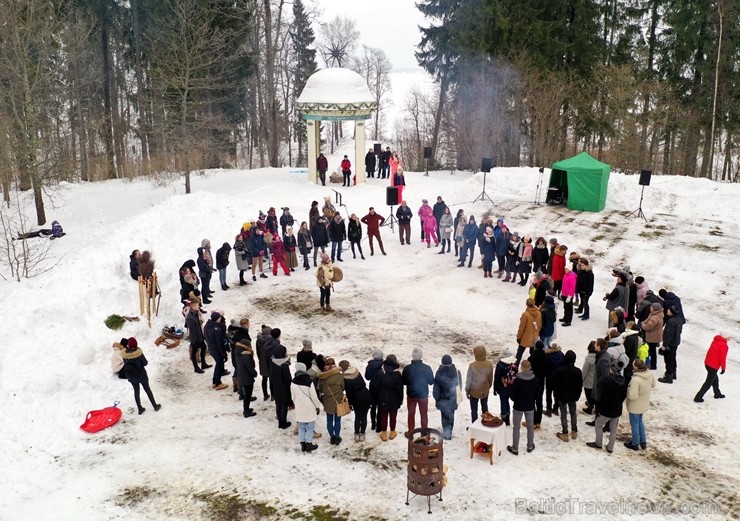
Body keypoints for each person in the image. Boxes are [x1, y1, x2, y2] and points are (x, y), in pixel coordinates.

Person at [587, 359, 627, 453]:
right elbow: (623, 396)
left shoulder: (608, 382)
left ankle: (598, 443)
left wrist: (599, 409)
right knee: (613, 429)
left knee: (598, 424)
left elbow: (603, 398)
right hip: (617, 410)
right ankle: (610, 447)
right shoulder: (623, 381)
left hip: (607, 410)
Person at [507, 360, 538, 455]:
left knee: (516, 427)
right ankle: (530, 445)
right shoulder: (535, 380)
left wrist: (517, 400)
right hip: (530, 406)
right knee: (530, 427)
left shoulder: (517, 381)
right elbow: (537, 394)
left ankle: (515, 448)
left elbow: (512, 395)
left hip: (518, 406)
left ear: (521, 367)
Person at [122, 338, 161, 415]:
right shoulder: (139, 354)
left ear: (128, 345)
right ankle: (155, 406)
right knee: (147, 390)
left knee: (136, 391)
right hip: (142, 375)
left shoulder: (125, 355)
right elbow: (145, 363)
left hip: (132, 377)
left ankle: (140, 409)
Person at [402, 347, 435, 437]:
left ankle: (411, 432)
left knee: (411, 414)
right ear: (421, 356)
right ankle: (424, 432)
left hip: (411, 395)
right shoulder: (427, 368)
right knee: (424, 414)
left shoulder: (407, 369)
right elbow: (431, 382)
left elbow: (404, 382)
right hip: (423, 395)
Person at [552, 350, 583, 442]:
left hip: (562, 396)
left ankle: (565, 432)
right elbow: (579, 385)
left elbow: (556, 386)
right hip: (573, 396)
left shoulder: (560, 370)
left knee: (564, 414)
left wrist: (556, 397)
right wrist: (578, 395)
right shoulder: (578, 371)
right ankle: (574, 431)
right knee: (573, 413)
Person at [624, 358, 654, 450]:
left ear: (636, 367)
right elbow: (653, 385)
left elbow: (632, 396)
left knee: (635, 424)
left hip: (635, 406)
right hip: (644, 403)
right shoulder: (649, 374)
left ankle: (635, 443)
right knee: (640, 422)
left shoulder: (636, 380)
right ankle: (643, 441)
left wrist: (627, 391)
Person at [339, 360, 372, 442]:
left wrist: (350, 404)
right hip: (366, 394)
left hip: (357, 397)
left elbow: (349, 392)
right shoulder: (356, 371)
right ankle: (363, 433)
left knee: (358, 417)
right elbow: (363, 382)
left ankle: (357, 434)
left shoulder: (346, 377)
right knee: (364, 416)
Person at [293, 362, 321, 452]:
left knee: (301, 426)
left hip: (299, 407)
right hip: (309, 407)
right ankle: (309, 443)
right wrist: (317, 406)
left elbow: (293, 396)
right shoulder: (309, 381)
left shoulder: (293, 381)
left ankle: (303, 444)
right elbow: (314, 396)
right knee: (310, 426)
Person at [694, 332, 730, 402]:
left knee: (715, 379)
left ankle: (717, 393)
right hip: (713, 366)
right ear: (725, 337)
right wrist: (723, 368)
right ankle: (698, 397)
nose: (729, 338)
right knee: (708, 382)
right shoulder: (724, 345)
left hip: (707, 363)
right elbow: (722, 358)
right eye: (728, 336)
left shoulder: (716, 341)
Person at [319, 357, 346, 445]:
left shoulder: (322, 378)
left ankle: (332, 437)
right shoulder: (340, 375)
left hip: (327, 401)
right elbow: (343, 387)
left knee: (329, 420)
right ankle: (337, 437)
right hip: (338, 400)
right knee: (337, 420)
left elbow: (321, 390)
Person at [433, 355, 460, 440]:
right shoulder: (456, 372)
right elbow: (459, 385)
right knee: (451, 415)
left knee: (444, 415)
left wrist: (436, 397)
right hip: (453, 399)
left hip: (442, 399)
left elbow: (436, 387)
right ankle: (449, 431)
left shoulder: (439, 373)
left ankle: (446, 432)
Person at [377, 354, 404, 441]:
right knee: (393, 416)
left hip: (383, 396)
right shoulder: (397, 374)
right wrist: (401, 399)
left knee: (383, 416)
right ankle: (392, 432)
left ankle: (384, 432)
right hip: (394, 397)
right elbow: (400, 388)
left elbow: (377, 385)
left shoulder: (381, 372)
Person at [465, 346, 493, 423]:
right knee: (485, 408)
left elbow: (469, 380)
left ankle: (474, 425)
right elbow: (490, 378)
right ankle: (487, 423)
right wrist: (488, 387)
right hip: (485, 390)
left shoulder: (472, 365)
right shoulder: (489, 364)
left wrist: (467, 390)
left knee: (474, 410)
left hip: (474, 391)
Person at [234, 332, 258, 418]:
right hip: (247, 378)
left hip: (241, 376)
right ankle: (246, 411)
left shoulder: (238, 352)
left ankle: (246, 408)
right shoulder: (245, 356)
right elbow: (250, 368)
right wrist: (254, 373)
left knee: (246, 394)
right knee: (247, 395)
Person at [270, 343, 293, 429]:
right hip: (284, 388)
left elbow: (271, 376)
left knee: (278, 404)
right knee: (284, 406)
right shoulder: (284, 366)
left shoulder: (273, 362)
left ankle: (280, 421)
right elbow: (287, 379)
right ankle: (283, 422)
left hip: (276, 387)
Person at [204, 312, 229, 390]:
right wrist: (224, 354)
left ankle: (215, 382)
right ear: (217, 319)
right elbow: (220, 344)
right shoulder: (216, 330)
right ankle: (217, 383)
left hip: (211, 348)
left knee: (218, 364)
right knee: (219, 365)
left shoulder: (207, 326)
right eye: (219, 318)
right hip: (216, 350)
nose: (221, 318)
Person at [658, 305, 683, 383]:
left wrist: (665, 345)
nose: (667, 310)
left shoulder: (671, 322)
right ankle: (673, 373)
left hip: (670, 344)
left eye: (669, 310)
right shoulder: (679, 319)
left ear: (672, 312)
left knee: (668, 360)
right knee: (673, 358)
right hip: (676, 342)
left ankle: (669, 376)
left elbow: (668, 334)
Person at [493, 350, 517, 425]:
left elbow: (496, 377)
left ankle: (503, 419)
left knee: (503, 402)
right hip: (510, 387)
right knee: (507, 402)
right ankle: (508, 419)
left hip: (502, 387)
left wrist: (495, 388)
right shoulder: (513, 364)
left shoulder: (500, 365)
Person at [516, 298, 542, 365]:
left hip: (525, 337)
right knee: (533, 353)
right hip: (534, 337)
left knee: (519, 352)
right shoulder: (539, 313)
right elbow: (539, 325)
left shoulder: (525, 314)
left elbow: (521, 328)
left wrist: (519, 337)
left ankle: (515, 366)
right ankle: (533, 366)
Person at [185, 304, 209, 373]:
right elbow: (192, 330)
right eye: (197, 305)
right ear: (192, 306)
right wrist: (195, 340)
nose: (199, 306)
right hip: (195, 338)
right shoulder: (190, 317)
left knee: (204, 347)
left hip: (200, 335)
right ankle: (196, 367)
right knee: (194, 352)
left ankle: (203, 363)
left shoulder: (195, 314)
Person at [365, 348, 384, 433]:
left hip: (372, 387)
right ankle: (379, 426)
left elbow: (367, 377)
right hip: (381, 388)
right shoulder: (384, 365)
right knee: (380, 407)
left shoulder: (370, 365)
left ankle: (373, 424)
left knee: (373, 407)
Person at [640, 302, 664, 370]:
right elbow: (647, 321)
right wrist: (644, 322)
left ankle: (652, 365)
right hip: (655, 335)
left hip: (652, 337)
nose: (650, 308)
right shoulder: (656, 315)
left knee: (651, 351)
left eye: (651, 307)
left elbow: (648, 326)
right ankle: (651, 364)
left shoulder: (654, 318)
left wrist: (642, 325)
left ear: (654, 309)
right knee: (652, 350)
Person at [255, 325, 273, 400]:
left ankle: (265, 394)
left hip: (262, 362)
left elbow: (257, 352)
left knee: (264, 379)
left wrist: (260, 360)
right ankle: (273, 395)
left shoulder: (258, 341)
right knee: (272, 380)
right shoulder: (271, 341)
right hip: (270, 362)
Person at [581, 341, 597, 414]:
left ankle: (590, 407)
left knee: (588, 395)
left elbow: (585, 371)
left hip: (588, 381)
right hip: (596, 380)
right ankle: (592, 404)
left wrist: (581, 380)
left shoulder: (588, 359)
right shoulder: (599, 357)